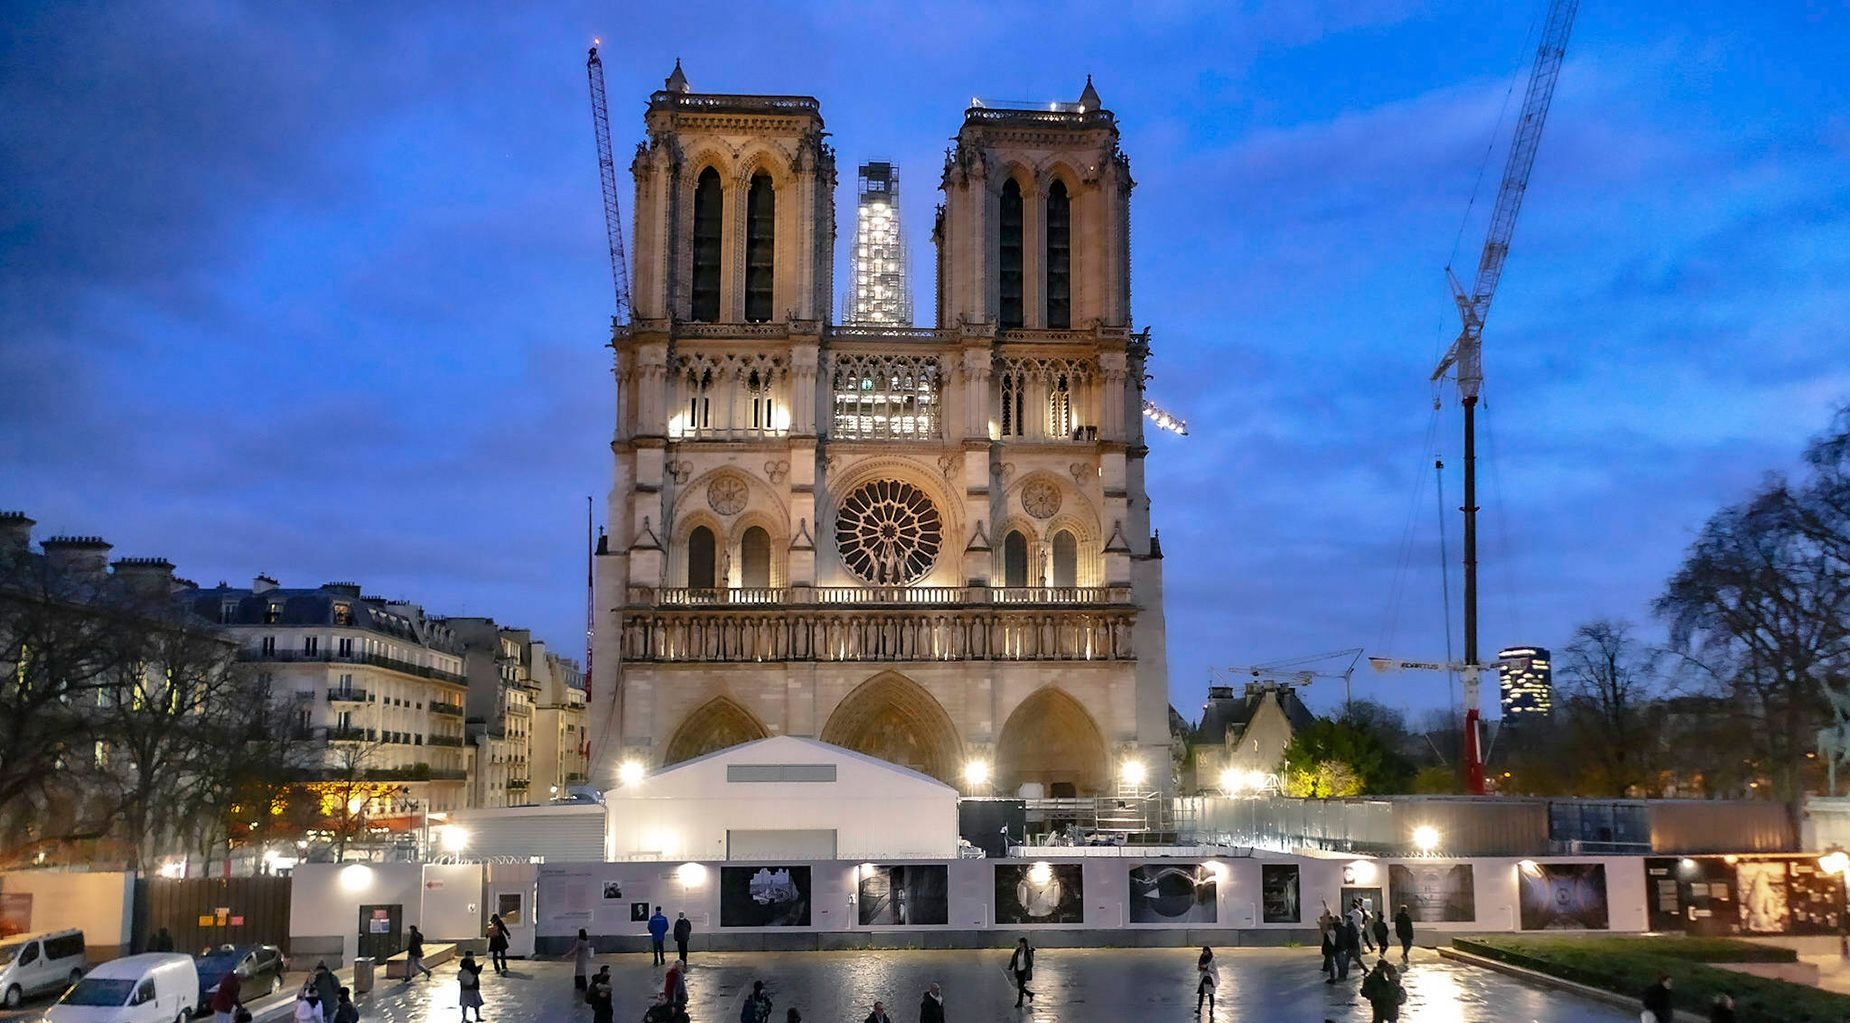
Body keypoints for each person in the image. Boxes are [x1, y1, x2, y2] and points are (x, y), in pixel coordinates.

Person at [457, 952, 485, 1023]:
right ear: (471, 956)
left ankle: (464, 1018)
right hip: (472, 986)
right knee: (476, 1003)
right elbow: (474, 972)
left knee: (464, 1004)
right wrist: (480, 968)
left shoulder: (463, 963)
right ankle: (477, 1017)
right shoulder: (471, 963)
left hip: (464, 988)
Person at [1009, 937, 1035, 1006]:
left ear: (1024, 944)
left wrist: (1028, 969)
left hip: (1024, 971)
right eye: (1020, 943)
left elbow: (1030, 962)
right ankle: (1030, 994)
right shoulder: (1017, 951)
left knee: (1020, 987)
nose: (1020, 944)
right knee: (1020, 987)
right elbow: (1013, 958)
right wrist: (1011, 966)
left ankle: (1019, 1002)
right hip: (1018, 971)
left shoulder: (1027, 952)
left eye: (1021, 943)